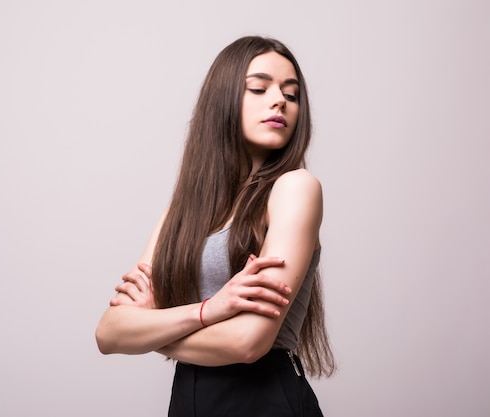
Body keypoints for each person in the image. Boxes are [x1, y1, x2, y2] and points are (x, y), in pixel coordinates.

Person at [95, 35, 335, 417]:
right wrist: (209, 310)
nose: (279, 101)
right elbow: (109, 333)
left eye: (291, 95)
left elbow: (248, 342)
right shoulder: (185, 210)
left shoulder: (295, 188)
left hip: (264, 399)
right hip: (189, 399)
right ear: (221, 99)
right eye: (259, 88)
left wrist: (152, 334)